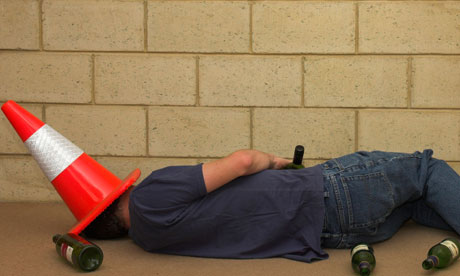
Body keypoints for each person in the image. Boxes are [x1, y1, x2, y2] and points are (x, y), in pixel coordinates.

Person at [83, 149, 460, 263]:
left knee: (411, 204)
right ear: (113, 195)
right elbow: (243, 162)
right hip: (331, 194)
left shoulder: (146, 239)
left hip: (333, 235)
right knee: (426, 171)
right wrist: (273, 161)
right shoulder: (150, 194)